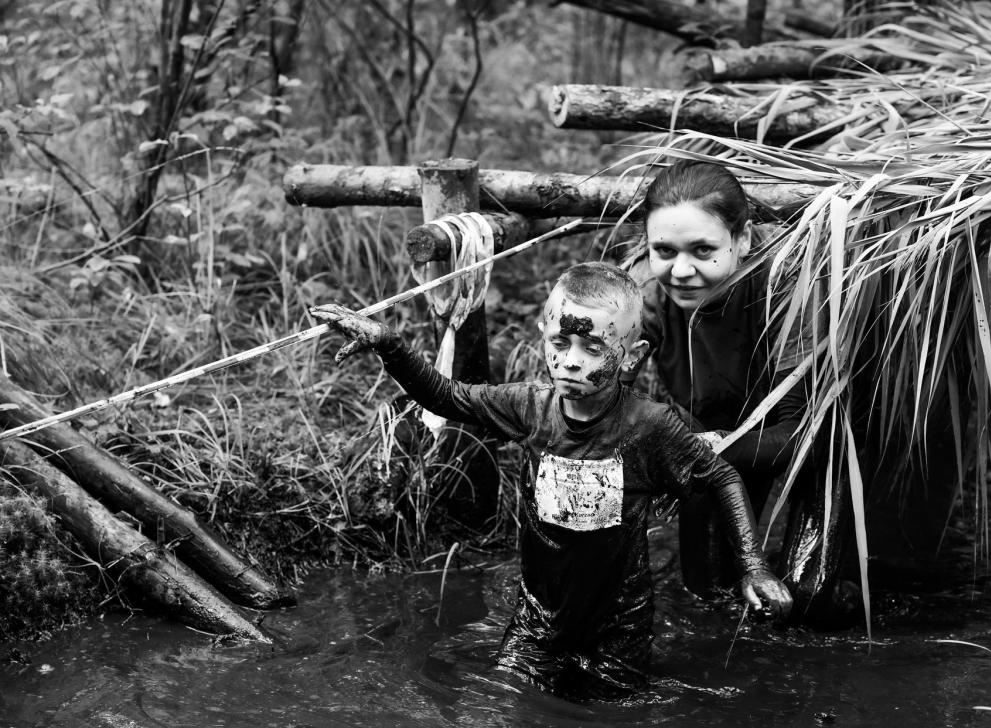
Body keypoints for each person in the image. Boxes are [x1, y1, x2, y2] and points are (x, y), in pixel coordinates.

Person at [310, 262, 792, 700]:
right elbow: (447, 397)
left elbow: (722, 475)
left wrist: (753, 564)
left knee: (610, 721)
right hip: (538, 617)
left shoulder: (650, 426)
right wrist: (388, 345)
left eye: (593, 347)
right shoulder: (529, 406)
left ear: (631, 355)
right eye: (560, 344)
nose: (571, 361)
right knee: (503, 703)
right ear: (543, 335)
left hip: (619, 624)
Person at [629, 159, 860, 628]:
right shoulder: (643, 293)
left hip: (814, 446)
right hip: (712, 445)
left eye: (702, 250)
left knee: (811, 597)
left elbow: (801, 434)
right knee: (709, 596)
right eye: (664, 251)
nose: (681, 270)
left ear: (744, 240)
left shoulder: (788, 290)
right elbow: (603, 397)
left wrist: (704, 450)